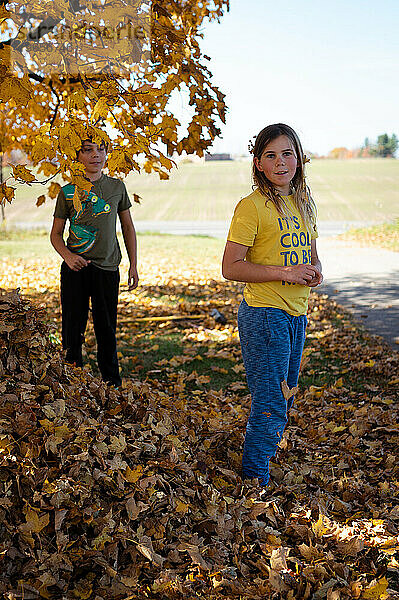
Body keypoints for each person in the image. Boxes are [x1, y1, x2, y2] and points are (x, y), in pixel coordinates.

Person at [222, 123, 323, 487]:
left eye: (287, 153)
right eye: (271, 155)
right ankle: (255, 486)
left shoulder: (303, 203)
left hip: (298, 315)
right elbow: (230, 267)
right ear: (259, 163)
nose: (280, 162)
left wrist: (315, 270)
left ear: (299, 158)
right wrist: (285, 273)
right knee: (270, 402)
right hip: (265, 315)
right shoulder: (251, 207)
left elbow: (311, 252)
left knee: (284, 398)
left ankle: (258, 463)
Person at [50, 139, 139, 387]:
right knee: (72, 327)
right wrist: (68, 257)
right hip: (75, 269)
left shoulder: (116, 187)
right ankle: (71, 381)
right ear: (77, 155)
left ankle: (111, 383)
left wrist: (133, 264)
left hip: (107, 268)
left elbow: (128, 227)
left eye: (101, 149)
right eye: (88, 149)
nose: (95, 155)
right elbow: (56, 234)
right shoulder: (67, 192)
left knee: (106, 328)